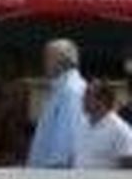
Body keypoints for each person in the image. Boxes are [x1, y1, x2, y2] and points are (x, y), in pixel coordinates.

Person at [27, 38, 86, 169]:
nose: (44, 63)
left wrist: (55, 173)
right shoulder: (60, 89)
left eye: (47, 58)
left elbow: (65, 140)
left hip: (54, 175)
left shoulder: (71, 91)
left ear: (63, 62)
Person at [73, 80, 132, 170]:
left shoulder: (120, 129)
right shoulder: (81, 124)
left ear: (102, 100)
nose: (83, 98)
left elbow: (128, 167)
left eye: (88, 94)